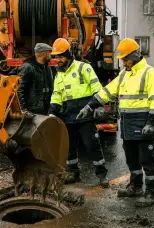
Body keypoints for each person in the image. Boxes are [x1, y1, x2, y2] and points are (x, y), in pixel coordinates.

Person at [77, 38, 154, 207]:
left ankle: (151, 193)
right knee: (132, 159)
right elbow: (107, 92)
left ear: (135, 55)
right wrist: (90, 106)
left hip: (144, 123)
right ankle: (136, 186)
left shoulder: (150, 73)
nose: (124, 62)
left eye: (125, 58)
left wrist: (152, 122)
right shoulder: (124, 74)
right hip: (128, 124)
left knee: (147, 160)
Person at [48, 38, 109, 188]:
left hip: (85, 115)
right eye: (56, 57)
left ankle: (101, 175)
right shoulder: (58, 75)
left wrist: (97, 106)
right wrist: (52, 112)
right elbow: (57, 95)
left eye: (61, 56)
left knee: (91, 145)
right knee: (70, 147)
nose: (58, 60)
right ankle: (73, 173)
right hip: (68, 116)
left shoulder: (83, 68)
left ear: (68, 54)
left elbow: (97, 88)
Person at [15, 43, 54, 115]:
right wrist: (23, 109)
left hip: (45, 110)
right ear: (44, 53)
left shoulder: (47, 67)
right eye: (49, 53)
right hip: (32, 111)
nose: (51, 55)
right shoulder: (28, 67)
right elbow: (19, 89)